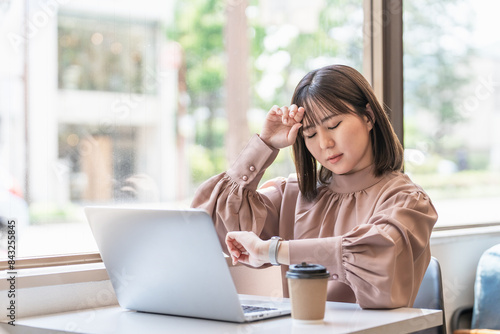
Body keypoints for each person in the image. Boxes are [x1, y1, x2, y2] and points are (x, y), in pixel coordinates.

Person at [191, 64, 438, 309]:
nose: (325, 142)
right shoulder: (292, 194)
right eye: (310, 134)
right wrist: (264, 145)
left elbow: (375, 256)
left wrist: (273, 251)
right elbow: (213, 224)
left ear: (368, 116)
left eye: (333, 125)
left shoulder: (407, 202)